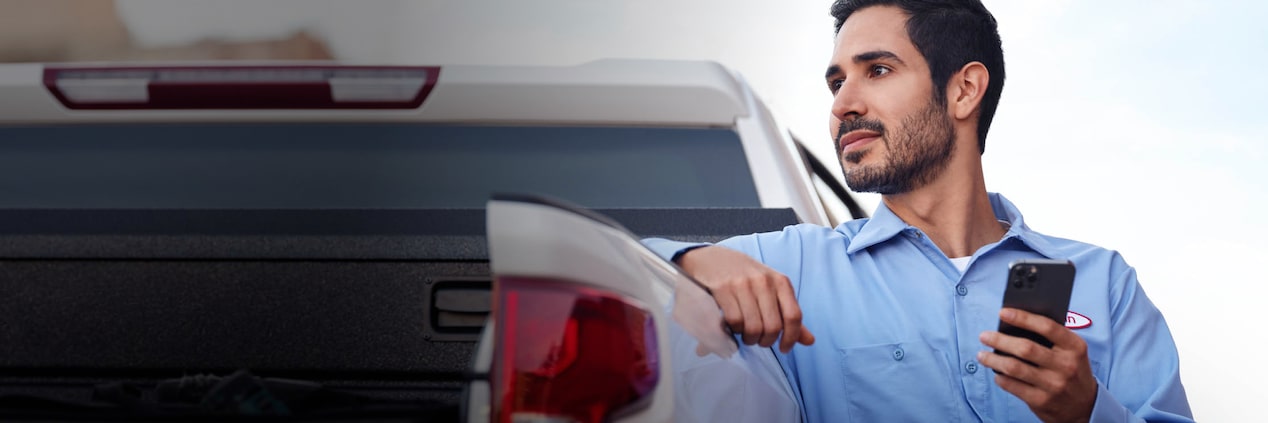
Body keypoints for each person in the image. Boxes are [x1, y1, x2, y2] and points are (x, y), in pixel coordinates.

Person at [643, 0, 1193, 421]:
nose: (841, 105)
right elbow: (623, 271)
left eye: (876, 70)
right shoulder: (792, 266)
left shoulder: (1105, 283)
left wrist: (1086, 411)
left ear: (964, 90)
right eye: (836, 82)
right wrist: (691, 262)